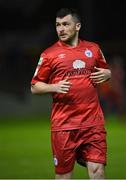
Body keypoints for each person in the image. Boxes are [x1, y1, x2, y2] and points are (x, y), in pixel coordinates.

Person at [31, 8, 111, 180]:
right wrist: (54, 87)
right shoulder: (49, 54)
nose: (61, 29)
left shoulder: (94, 49)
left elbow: (104, 71)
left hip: (92, 123)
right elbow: (34, 86)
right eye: (58, 25)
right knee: (63, 177)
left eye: (66, 24)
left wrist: (108, 74)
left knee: (98, 171)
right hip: (64, 126)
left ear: (78, 26)